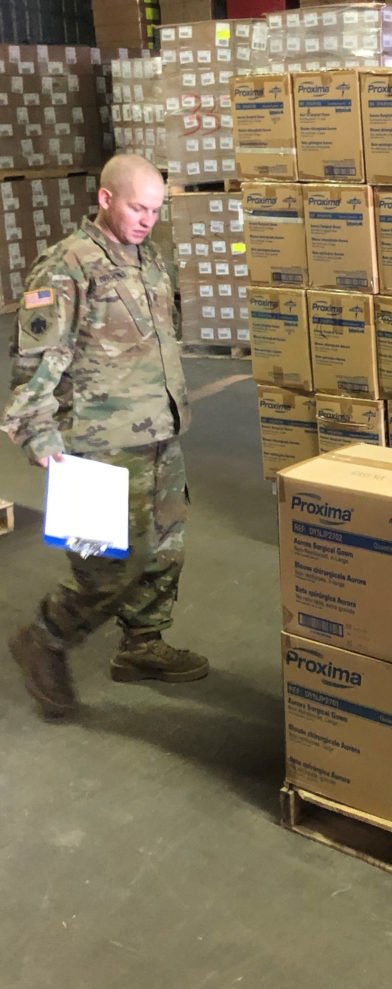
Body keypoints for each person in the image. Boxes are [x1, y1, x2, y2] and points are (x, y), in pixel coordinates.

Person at [3, 153, 207, 721]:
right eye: (138, 208)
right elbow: (36, 358)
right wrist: (38, 434)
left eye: (156, 210)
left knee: (166, 549)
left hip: (158, 431)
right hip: (93, 442)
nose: (147, 219)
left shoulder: (148, 258)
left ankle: (141, 646)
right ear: (106, 199)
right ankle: (44, 639)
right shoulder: (66, 266)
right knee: (107, 565)